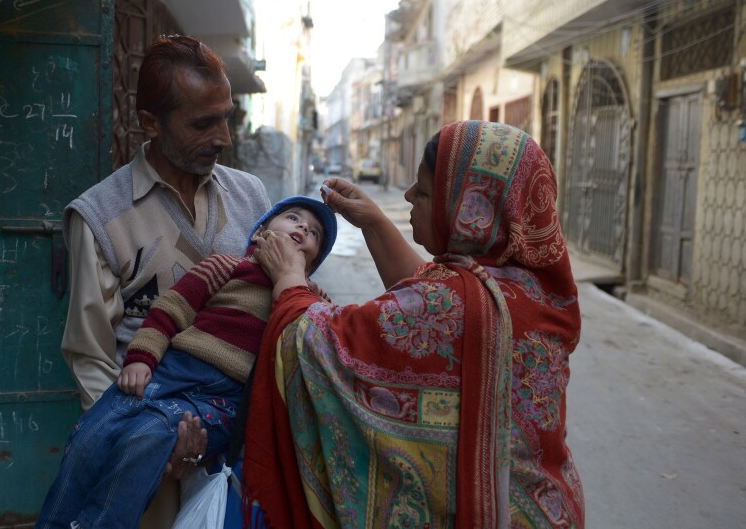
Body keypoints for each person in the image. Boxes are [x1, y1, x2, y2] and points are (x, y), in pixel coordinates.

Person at [245, 120, 584, 527]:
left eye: (422, 192)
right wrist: (372, 221)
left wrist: (289, 279)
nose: (407, 195)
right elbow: (435, 292)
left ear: (468, 212)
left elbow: (321, 344)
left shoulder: (454, 302)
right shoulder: (530, 291)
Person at [55, 34, 270, 522]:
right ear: (150, 122)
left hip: (237, 445)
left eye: (227, 117)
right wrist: (150, 443)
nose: (224, 138)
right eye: (203, 123)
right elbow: (92, 358)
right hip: (144, 446)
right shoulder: (100, 217)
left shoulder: (253, 198)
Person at [38, 196, 337, 529]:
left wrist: (309, 295)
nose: (302, 228)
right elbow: (171, 310)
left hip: (223, 399)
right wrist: (141, 358)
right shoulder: (226, 266)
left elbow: (318, 343)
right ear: (260, 234)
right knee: (91, 435)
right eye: (293, 218)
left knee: (147, 437)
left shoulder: (306, 297)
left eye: (314, 233)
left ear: (311, 263)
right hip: (173, 371)